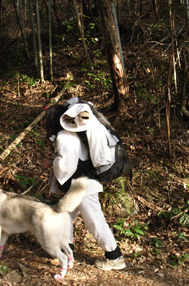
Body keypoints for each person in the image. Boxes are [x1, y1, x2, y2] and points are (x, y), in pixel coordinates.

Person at [42, 98, 126, 271]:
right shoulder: (75, 134)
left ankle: (115, 257)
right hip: (80, 186)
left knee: (95, 221)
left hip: (82, 187)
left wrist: (52, 165)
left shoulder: (64, 136)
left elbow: (67, 164)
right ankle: (66, 254)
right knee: (65, 217)